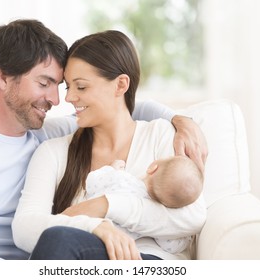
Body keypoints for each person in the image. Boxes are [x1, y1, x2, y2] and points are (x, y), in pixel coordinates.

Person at [0, 19, 207, 260]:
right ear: (4, 77)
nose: (59, 99)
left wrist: (181, 120)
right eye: (45, 84)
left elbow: (117, 109)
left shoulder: (46, 132)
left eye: (62, 86)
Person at [12, 30, 207, 260]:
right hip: (84, 261)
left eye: (81, 87)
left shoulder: (162, 135)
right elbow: (24, 228)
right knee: (59, 239)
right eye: (68, 87)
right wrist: (93, 227)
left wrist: (106, 205)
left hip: (148, 262)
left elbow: (192, 216)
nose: (69, 98)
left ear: (121, 85)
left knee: (60, 238)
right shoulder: (53, 152)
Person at [84, 156, 204, 254]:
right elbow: (171, 247)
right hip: (102, 247)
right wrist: (186, 239)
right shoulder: (154, 221)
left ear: (152, 168)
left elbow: (91, 182)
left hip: (82, 220)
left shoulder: (122, 178)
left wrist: (110, 169)